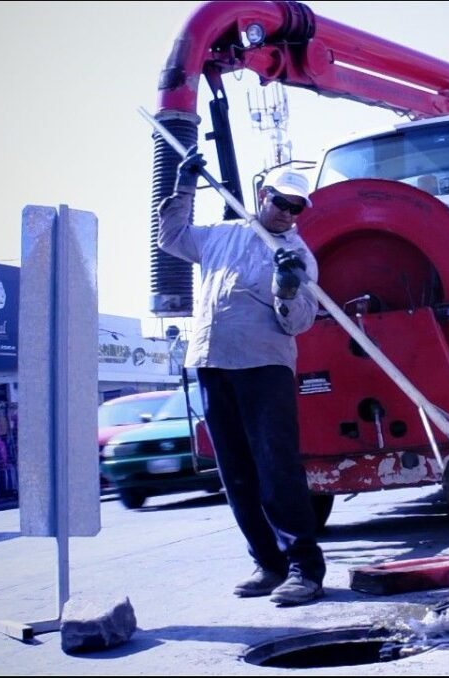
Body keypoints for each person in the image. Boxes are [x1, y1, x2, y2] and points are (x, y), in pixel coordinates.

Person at [156, 150, 326, 606]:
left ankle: (304, 570)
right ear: (262, 195)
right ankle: (267, 564)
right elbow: (170, 237)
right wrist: (184, 187)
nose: (288, 213)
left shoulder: (297, 257)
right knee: (235, 473)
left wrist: (286, 290)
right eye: (281, 202)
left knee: (277, 470)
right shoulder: (220, 236)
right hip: (213, 364)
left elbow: (298, 324)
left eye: (297, 208)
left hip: (264, 369)